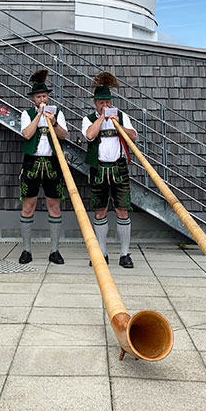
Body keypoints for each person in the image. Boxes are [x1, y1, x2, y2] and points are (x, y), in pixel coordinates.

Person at [82, 71, 137, 268]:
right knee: (100, 210)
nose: (105, 105)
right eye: (101, 102)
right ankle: (102, 254)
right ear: (95, 103)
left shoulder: (121, 116)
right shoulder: (89, 118)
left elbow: (133, 136)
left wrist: (117, 123)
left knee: (123, 209)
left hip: (118, 168)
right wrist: (102, 118)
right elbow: (89, 135)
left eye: (107, 102)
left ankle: (125, 254)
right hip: (98, 169)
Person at [18, 68, 68, 264]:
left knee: (54, 206)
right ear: (33, 99)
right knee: (28, 206)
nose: (42, 100)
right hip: (32, 162)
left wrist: (53, 122)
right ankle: (26, 250)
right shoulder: (27, 113)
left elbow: (63, 135)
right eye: (39, 97)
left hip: (52, 163)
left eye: (45, 96)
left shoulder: (58, 113)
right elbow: (27, 134)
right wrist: (39, 116)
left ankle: (54, 250)